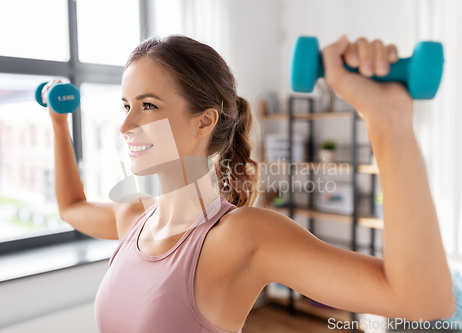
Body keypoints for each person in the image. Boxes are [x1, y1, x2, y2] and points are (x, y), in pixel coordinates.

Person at [44, 34, 455, 333]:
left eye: (148, 105)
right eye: (126, 105)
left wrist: (388, 121)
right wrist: (58, 123)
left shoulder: (241, 237)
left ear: (204, 120)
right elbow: (71, 207)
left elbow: (423, 301)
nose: (126, 124)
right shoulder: (133, 218)